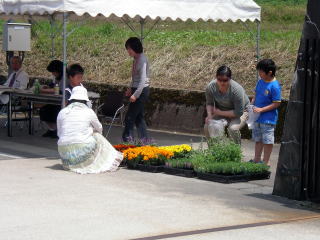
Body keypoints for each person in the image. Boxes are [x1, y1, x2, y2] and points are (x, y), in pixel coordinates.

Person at [57, 86, 123, 174]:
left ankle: (75, 163)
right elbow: (100, 128)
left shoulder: (62, 112)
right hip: (82, 152)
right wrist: (91, 131)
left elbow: (59, 133)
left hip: (64, 154)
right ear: (85, 100)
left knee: (89, 132)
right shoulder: (89, 112)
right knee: (97, 135)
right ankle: (104, 160)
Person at [204, 65, 250, 144]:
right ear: (216, 78)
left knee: (232, 129)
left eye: (225, 80)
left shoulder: (237, 89)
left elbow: (238, 112)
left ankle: (235, 152)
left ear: (230, 79)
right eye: (219, 79)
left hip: (242, 111)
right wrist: (209, 115)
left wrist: (219, 112)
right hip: (222, 110)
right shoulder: (211, 87)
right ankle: (214, 152)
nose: (222, 82)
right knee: (207, 126)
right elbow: (209, 103)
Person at [251, 59, 281, 166]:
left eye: (261, 72)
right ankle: (256, 159)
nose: (259, 74)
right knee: (258, 139)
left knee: (267, 140)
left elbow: (276, 103)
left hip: (268, 118)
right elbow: (256, 93)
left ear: (270, 73)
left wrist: (262, 109)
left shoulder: (275, 86)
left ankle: (266, 161)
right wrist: (252, 102)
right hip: (257, 117)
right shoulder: (260, 81)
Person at [122, 37, 150, 143]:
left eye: (129, 48)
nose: (128, 51)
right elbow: (135, 78)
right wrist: (130, 88)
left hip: (141, 91)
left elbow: (142, 80)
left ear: (134, 47)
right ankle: (145, 142)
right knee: (139, 118)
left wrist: (136, 95)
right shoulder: (136, 59)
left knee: (130, 117)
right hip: (136, 89)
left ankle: (127, 141)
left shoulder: (142, 60)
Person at [40, 60, 65, 138]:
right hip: (56, 100)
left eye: (53, 72)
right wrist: (48, 87)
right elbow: (54, 86)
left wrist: (44, 90)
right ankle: (52, 129)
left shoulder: (65, 78)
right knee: (43, 109)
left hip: (63, 101)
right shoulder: (58, 77)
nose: (52, 74)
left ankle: (56, 130)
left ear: (58, 70)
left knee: (51, 110)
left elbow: (58, 90)